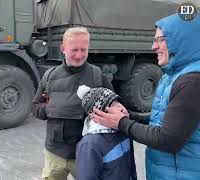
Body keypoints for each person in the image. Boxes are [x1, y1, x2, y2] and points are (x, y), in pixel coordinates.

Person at [92, 13, 200, 180]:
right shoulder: (172, 76)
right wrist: (129, 116)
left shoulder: (191, 81)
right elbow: (164, 120)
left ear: (182, 39)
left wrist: (122, 123)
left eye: (160, 40)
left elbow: (168, 139)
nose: (153, 47)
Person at [32, 27, 115, 180]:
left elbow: (113, 111)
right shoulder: (49, 76)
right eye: (74, 49)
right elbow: (35, 107)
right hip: (54, 153)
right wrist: (53, 107)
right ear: (63, 48)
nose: (79, 55)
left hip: (86, 153)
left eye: (83, 49)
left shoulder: (98, 76)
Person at [75, 85, 136, 180]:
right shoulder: (90, 145)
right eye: (111, 105)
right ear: (99, 114)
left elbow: (131, 166)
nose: (120, 107)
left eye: (117, 101)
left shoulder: (123, 131)